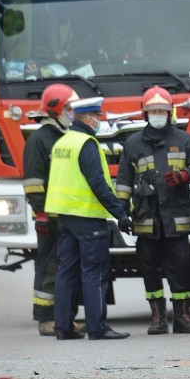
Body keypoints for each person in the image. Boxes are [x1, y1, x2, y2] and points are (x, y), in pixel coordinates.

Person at [115, 86, 190, 334]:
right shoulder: (133, 144)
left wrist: (183, 175)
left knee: (180, 268)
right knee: (149, 269)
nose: (158, 114)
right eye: (154, 111)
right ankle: (157, 318)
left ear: (170, 113)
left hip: (175, 218)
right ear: (145, 113)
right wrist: (121, 212)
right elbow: (123, 181)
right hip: (146, 220)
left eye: (163, 110)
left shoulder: (184, 139)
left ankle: (182, 317)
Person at [45, 96, 132, 340]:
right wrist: (121, 214)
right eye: (98, 116)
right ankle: (98, 328)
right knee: (94, 271)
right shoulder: (86, 143)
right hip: (87, 217)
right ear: (88, 117)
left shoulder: (63, 142)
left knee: (66, 271)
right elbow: (99, 184)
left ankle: (63, 327)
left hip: (65, 217)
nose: (99, 121)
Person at [22, 83, 85, 336]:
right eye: (69, 108)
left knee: (65, 267)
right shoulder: (40, 139)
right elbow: (33, 183)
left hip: (66, 215)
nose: (72, 113)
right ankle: (46, 319)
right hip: (49, 218)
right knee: (49, 266)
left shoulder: (63, 136)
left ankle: (63, 317)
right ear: (56, 108)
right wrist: (41, 214)